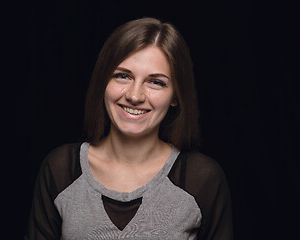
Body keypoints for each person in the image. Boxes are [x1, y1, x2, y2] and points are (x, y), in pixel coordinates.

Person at [25, 17, 233, 240]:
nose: (135, 96)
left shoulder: (202, 179)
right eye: (122, 76)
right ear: (103, 82)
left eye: (156, 82)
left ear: (175, 96)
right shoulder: (61, 169)